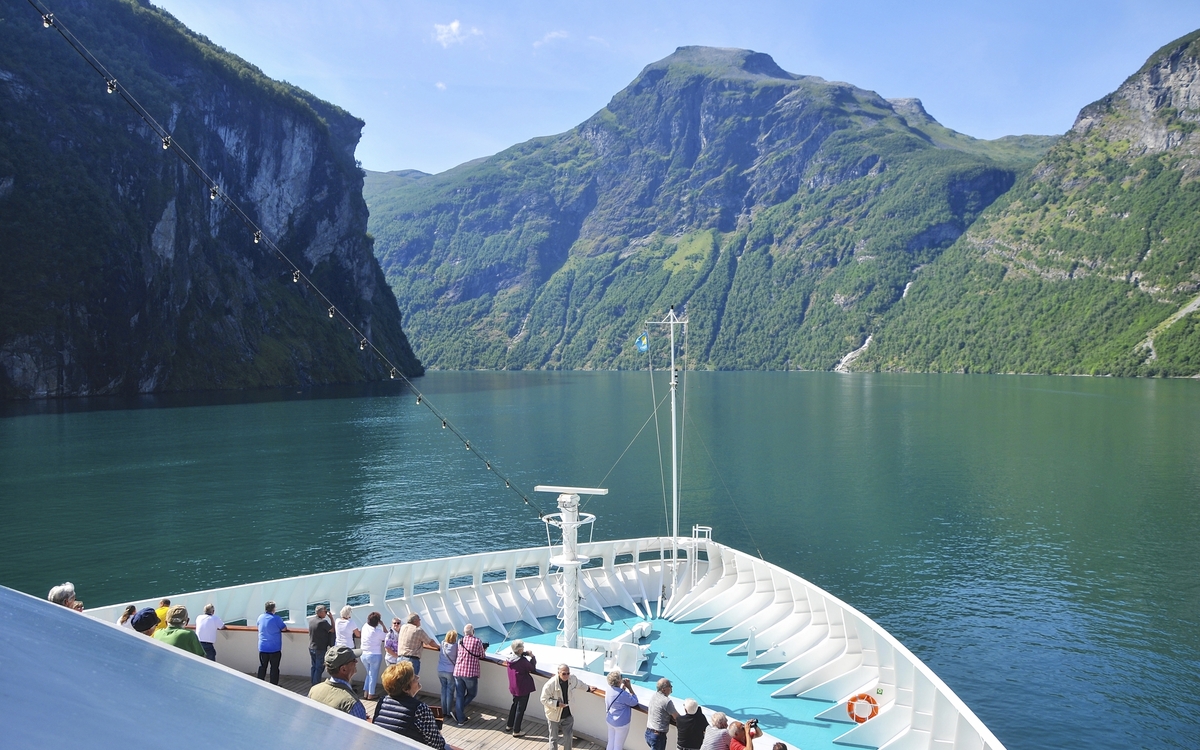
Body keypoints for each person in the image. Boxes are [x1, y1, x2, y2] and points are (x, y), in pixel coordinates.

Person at [373, 661, 461, 750]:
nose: (418, 677)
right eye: (414, 677)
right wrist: (438, 731)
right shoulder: (420, 708)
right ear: (405, 688)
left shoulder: (382, 701)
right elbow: (437, 744)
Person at [309, 645, 368, 720]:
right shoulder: (352, 704)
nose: (356, 661)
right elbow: (361, 730)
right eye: (353, 660)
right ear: (343, 669)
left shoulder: (314, 691)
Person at [540, 663, 582, 750]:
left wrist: (588, 688)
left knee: (568, 737)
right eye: (564, 673)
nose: (566, 675)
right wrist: (557, 704)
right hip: (554, 716)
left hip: (568, 714)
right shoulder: (550, 684)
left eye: (568, 673)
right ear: (558, 673)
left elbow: (579, 684)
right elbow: (543, 699)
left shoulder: (572, 679)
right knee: (553, 738)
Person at [452, 623, 487, 724]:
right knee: (472, 694)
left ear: (464, 632)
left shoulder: (460, 641)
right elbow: (482, 655)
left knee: (459, 695)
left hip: (458, 671)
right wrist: (483, 649)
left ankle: (460, 717)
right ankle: (458, 713)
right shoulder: (477, 641)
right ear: (473, 632)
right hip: (470, 673)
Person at [505, 640, 537, 736]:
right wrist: (532, 657)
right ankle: (516, 730)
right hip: (523, 687)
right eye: (522, 648)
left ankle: (509, 725)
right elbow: (532, 668)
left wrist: (524, 654)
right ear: (519, 650)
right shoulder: (522, 661)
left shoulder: (510, 658)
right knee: (520, 709)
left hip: (514, 686)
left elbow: (518, 656)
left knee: (514, 705)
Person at [605, 670, 640, 750]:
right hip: (621, 724)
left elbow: (617, 697)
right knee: (618, 746)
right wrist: (629, 687)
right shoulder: (623, 694)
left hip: (610, 720)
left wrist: (622, 689)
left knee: (610, 742)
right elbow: (635, 702)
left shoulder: (609, 689)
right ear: (619, 681)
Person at [256, 600, 286, 685]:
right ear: (273, 609)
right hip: (274, 648)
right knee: (274, 668)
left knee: (262, 666)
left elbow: (258, 626)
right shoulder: (276, 618)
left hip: (263, 647)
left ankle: (259, 683)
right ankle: (273, 685)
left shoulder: (260, 617)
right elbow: (284, 628)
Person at [645, 678, 678, 750]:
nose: (671, 687)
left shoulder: (654, 696)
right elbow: (677, 717)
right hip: (658, 736)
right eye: (669, 686)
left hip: (648, 733)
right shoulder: (667, 701)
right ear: (663, 689)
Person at [362, 611, 387, 700]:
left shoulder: (365, 626)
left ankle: (366, 692)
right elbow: (387, 635)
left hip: (364, 654)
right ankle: (371, 694)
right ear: (377, 622)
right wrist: (383, 625)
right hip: (374, 655)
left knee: (369, 674)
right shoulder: (377, 632)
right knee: (373, 675)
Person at [309, 605, 336, 684]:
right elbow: (333, 630)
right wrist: (331, 618)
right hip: (320, 648)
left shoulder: (311, 620)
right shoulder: (322, 622)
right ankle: (316, 684)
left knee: (314, 667)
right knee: (319, 668)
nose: (326, 613)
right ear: (320, 612)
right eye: (325, 611)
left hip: (311, 647)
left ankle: (313, 683)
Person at [437, 630, 459, 719]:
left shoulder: (442, 644)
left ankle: (443, 711)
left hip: (440, 670)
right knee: (450, 692)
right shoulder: (456, 646)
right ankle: (449, 711)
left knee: (443, 690)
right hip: (450, 671)